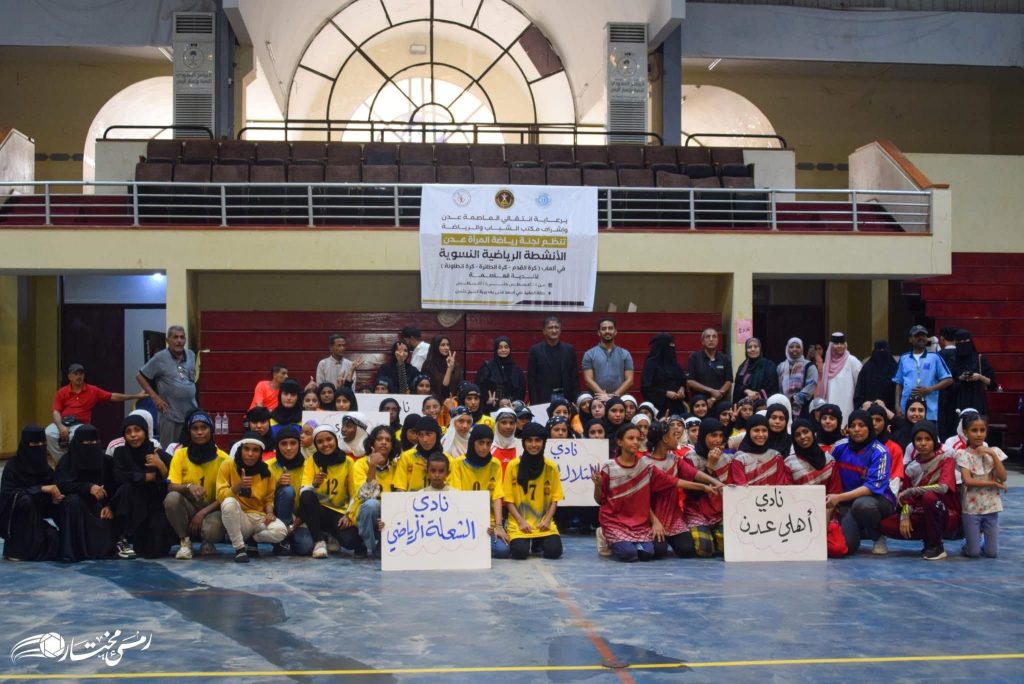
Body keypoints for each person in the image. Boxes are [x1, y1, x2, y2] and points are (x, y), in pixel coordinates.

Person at [879, 421, 959, 560]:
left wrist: (912, 491)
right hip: (920, 513)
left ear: (934, 441)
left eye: (927, 439)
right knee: (885, 524)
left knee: (929, 497)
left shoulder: (946, 459)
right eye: (918, 439)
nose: (923, 443)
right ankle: (928, 538)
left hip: (945, 513)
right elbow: (907, 501)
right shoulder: (911, 468)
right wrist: (905, 517)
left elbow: (942, 487)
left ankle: (937, 546)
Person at [644, 421, 724, 559]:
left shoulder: (674, 459)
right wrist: (655, 522)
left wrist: (717, 483)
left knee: (687, 549)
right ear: (665, 439)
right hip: (651, 517)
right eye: (674, 435)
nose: (678, 438)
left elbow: (694, 473)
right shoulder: (645, 463)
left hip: (673, 517)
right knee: (658, 551)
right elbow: (642, 499)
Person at [827, 410, 895, 556]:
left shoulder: (880, 452)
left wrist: (838, 498)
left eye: (861, 425)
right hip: (846, 502)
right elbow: (826, 469)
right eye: (852, 426)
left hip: (877, 500)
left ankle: (877, 536)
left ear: (869, 427)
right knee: (847, 546)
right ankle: (859, 530)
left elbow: (872, 487)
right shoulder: (839, 447)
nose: (856, 429)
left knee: (863, 505)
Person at [47, 363, 145, 463]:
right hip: (63, 422)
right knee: (48, 433)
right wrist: (60, 426)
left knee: (76, 436)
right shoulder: (62, 392)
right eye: (76, 374)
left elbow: (113, 396)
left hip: (80, 424)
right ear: (69, 377)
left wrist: (136, 396)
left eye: (81, 374)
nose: (79, 376)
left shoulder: (92, 390)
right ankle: (62, 463)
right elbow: (56, 411)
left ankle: (74, 464)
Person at [163, 412, 228, 560]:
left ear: (211, 430)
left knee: (212, 529)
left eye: (204, 427)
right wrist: (188, 487)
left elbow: (226, 495)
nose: (199, 432)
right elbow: (170, 486)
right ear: (189, 431)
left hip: (212, 509)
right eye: (195, 428)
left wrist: (202, 513)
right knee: (172, 498)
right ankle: (185, 542)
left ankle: (208, 542)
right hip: (188, 506)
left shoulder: (224, 459)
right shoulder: (180, 454)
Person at [109, 414, 174, 559]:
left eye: (137, 430)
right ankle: (121, 538)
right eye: (128, 432)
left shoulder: (157, 453)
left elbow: (173, 481)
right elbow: (117, 476)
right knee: (125, 489)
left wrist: (161, 466)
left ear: (145, 431)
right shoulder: (120, 452)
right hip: (131, 504)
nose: (133, 435)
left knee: (154, 551)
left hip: (153, 506)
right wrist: (143, 477)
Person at [217, 433, 289, 562]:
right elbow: (220, 497)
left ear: (260, 453)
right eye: (246, 449)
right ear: (241, 449)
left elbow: (268, 498)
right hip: (240, 518)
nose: (250, 454)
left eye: (255, 450)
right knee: (228, 503)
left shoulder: (267, 471)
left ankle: (253, 539)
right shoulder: (227, 465)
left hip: (259, 518)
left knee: (281, 531)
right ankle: (240, 549)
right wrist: (238, 486)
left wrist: (270, 513)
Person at [299, 425, 365, 559]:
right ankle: (319, 542)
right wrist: (314, 484)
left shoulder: (348, 462)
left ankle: (332, 535)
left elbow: (355, 493)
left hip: (339, 512)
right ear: (315, 445)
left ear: (335, 439)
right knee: (306, 496)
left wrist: (349, 515)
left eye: (329, 439)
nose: (325, 444)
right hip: (318, 511)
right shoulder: (311, 461)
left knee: (350, 541)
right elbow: (303, 491)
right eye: (320, 442)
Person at [54, 425, 116, 561]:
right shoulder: (67, 462)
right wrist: (87, 487)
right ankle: (72, 550)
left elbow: (114, 486)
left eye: (95, 442)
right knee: (73, 502)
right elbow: (61, 485)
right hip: (75, 509)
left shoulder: (106, 461)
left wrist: (110, 505)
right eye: (87, 443)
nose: (91, 446)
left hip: (100, 507)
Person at [503, 423, 563, 560]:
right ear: (523, 443)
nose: (534, 445)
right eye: (529, 440)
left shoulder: (551, 467)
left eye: (538, 440)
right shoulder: (513, 466)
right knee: (519, 553)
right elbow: (508, 499)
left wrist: (547, 520)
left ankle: (538, 542)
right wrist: (521, 522)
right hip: (519, 523)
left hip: (543, 523)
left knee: (554, 552)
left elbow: (555, 498)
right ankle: (531, 541)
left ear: (544, 443)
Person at [450, 425, 512, 559]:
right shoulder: (458, 464)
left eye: (488, 443)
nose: (484, 447)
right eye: (481, 443)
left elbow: (497, 497)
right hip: (463, 521)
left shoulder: (495, 464)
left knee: (503, 551)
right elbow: (456, 498)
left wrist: (498, 525)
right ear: (473, 442)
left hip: (488, 524)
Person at [0, 425, 61, 561]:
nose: (39, 447)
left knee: (53, 537)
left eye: (43, 444)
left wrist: (54, 499)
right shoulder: (13, 467)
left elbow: (49, 499)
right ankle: (16, 551)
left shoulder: (45, 469)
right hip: (16, 522)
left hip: (36, 519)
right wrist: (41, 489)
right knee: (24, 500)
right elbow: (9, 497)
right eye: (34, 444)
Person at [137, 326, 199, 449]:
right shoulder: (159, 358)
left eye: (182, 337)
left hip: (190, 412)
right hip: (170, 415)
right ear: (168, 340)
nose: (179, 341)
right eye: (175, 337)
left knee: (190, 449)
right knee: (168, 450)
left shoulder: (191, 355)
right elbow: (139, 376)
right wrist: (155, 398)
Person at [955, 414, 1008, 559]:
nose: (979, 434)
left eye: (982, 430)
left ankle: (981, 541)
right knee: (973, 553)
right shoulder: (962, 454)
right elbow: (968, 481)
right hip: (971, 509)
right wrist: (993, 483)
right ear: (966, 432)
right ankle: (968, 542)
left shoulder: (994, 451)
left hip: (991, 507)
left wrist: (993, 455)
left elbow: (1003, 477)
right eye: (974, 430)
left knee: (992, 553)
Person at [680, 418, 732, 557]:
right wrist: (710, 466)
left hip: (719, 512)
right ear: (703, 436)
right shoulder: (690, 458)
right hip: (697, 511)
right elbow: (691, 492)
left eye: (721, 436)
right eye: (713, 435)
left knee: (727, 548)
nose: (718, 440)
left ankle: (715, 535)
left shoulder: (727, 459)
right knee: (704, 549)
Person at [353, 425, 402, 557]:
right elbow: (364, 496)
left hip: (389, 516)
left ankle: (384, 543)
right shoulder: (360, 464)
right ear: (372, 443)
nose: (384, 442)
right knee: (371, 505)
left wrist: (389, 517)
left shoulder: (397, 466)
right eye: (379, 439)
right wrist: (373, 466)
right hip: (366, 514)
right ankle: (369, 545)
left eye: (388, 440)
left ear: (392, 445)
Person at [267, 424, 313, 556]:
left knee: (305, 547)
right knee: (287, 490)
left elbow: (310, 503)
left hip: (299, 518)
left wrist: (293, 526)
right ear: (277, 446)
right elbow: (261, 498)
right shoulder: (269, 466)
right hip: (274, 517)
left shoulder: (309, 466)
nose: (288, 448)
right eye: (284, 444)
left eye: (293, 443)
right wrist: (277, 485)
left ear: (299, 444)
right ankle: (281, 538)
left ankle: (286, 537)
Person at [893, 325, 952, 421]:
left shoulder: (935, 357)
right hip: (907, 409)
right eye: (917, 335)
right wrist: (897, 405)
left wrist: (930, 389)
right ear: (910, 339)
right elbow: (899, 383)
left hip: (929, 410)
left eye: (923, 335)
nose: (921, 338)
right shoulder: (904, 358)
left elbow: (948, 379)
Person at [527, 316, 579, 404]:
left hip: (566, 397)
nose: (554, 330)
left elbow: (574, 377)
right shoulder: (535, 350)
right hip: (543, 398)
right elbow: (531, 380)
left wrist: (576, 399)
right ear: (544, 331)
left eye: (557, 327)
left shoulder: (569, 349)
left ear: (560, 330)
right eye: (550, 328)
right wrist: (534, 403)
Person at [814, 332, 862, 427]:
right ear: (831, 345)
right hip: (830, 404)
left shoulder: (852, 361)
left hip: (848, 404)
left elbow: (860, 385)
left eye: (842, 343)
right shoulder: (826, 364)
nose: (839, 346)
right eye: (836, 343)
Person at [730, 415, 790, 486]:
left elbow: (782, 484)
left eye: (764, 430)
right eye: (756, 430)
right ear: (748, 431)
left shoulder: (776, 456)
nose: (761, 434)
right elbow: (740, 487)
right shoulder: (739, 458)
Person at [392, 417, 449, 492]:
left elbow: (453, 491)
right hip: (411, 499)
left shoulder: (448, 460)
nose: (424, 439)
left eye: (428, 434)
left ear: (437, 434)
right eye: (420, 435)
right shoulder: (406, 457)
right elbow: (400, 487)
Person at [582, 318, 634, 399]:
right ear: (599, 333)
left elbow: (630, 380)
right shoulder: (589, 354)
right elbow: (588, 380)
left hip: (619, 399)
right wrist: (604, 396)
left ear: (615, 332)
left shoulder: (625, 354)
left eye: (610, 328)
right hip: (597, 400)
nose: (607, 331)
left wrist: (613, 396)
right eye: (603, 329)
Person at [950, 329, 996, 419]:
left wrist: (979, 377)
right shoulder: (952, 360)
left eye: (965, 341)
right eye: (960, 341)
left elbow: (992, 383)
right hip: (958, 400)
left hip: (977, 398)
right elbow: (948, 384)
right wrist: (960, 378)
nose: (963, 343)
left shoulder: (980, 358)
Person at [641, 333, 688, 418]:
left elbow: (682, 379)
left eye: (673, 345)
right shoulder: (651, 364)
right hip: (659, 408)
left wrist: (682, 389)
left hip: (677, 408)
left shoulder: (675, 364)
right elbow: (646, 388)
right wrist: (665, 393)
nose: (672, 348)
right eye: (669, 345)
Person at [785, 418, 842, 490]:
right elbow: (788, 492)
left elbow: (835, 491)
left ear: (812, 432)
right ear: (794, 439)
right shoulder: (789, 463)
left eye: (805, 432)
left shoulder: (829, 460)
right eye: (797, 435)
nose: (802, 437)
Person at [476, 336, 526, 409]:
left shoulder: (516, 369)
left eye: (506, 347)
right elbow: (480, 387)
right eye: (500, 347)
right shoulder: (487, 367)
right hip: (491, 407)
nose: (503, 350)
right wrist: (487, 400)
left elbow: (521, 390)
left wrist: (510, 402)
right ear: (496, 349)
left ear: (510, 349)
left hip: (511, 407)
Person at [686, 328, 732, 409]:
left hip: (720, 403)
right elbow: (690, 381)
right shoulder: (694, 357)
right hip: (699, 405)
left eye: (714, 337)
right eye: (708, 337)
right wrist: (711, 391)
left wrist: (713, 399)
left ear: (717, 340)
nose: (711, 339)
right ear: (702, 341)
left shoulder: (725, 359)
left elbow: (728, 381)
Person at [776, 337, 818, 417]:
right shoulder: (781, 367)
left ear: (802, 349)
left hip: (804, 407)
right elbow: (778, 387)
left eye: (798, 347)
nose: (794, 349)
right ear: (787, 349)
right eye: (791, 347)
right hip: (784, 406)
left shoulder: (809, 366)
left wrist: (796, 399)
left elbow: (811, 385)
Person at [854, 341, 897, 412]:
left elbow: (898, 389)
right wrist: (861, 406)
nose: (881, 353)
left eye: (884, 350)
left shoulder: (894, 368)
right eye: (879, 350)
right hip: (869, 410)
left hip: (890, 410)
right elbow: (860, 389)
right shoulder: (867, 368)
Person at [732, 337, 778, 403]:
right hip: (745, 405)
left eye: (756, 346)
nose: (753, 349)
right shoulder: (742, 368)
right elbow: (737, 387)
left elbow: (772, 387)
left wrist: (757, 395)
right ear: (746, 350)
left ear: (760, 348)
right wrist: (746, 391)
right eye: (749, 347)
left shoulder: (769, 366)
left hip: (763, 404)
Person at [422, 335, 463, 401]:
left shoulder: (455, 365)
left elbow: (460, 385)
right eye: (442, 345)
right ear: (436, 346)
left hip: (453, 402)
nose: (446, 348)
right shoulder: (428, 365)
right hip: (434, 402)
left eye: (448, 345)